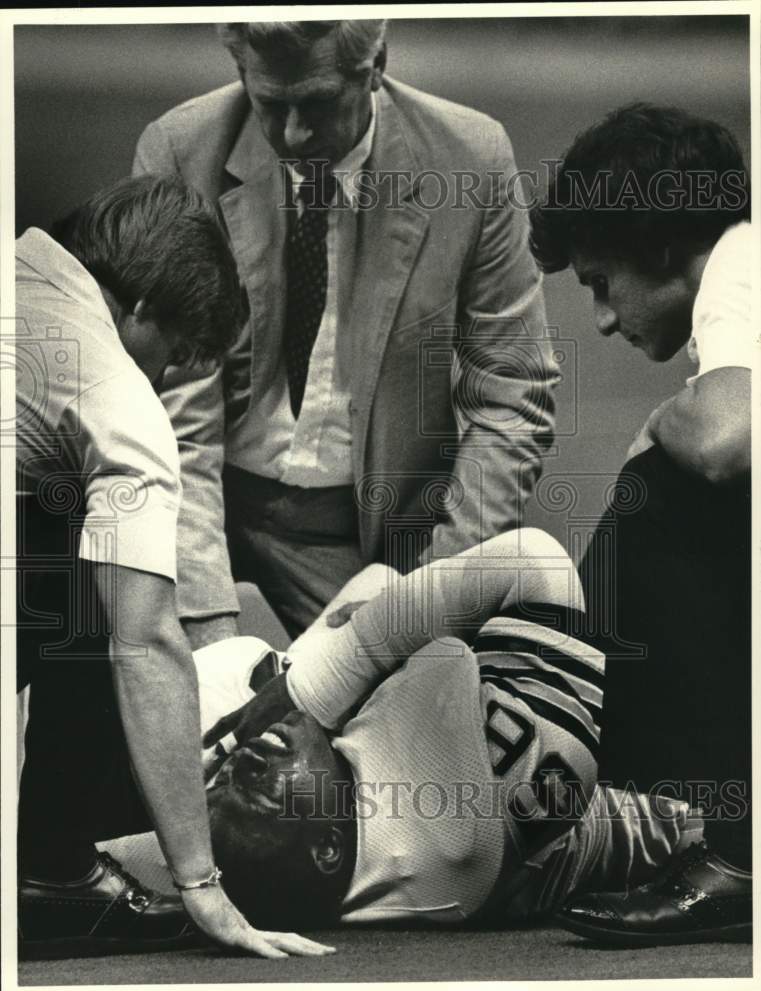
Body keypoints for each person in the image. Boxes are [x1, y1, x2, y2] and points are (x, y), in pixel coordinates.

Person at [132, 18, 559, 644]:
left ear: (377, 62)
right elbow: (176, 418)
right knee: (124, 681)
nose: (294, 134)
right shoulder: (178, 150)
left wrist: (429, 594)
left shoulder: (471, 159)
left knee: (403, 720)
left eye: (320, 102)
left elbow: (512, 397)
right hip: (197, 500)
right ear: (241, 71)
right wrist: (206, 624)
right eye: (270, 104)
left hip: (366, 535)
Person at [15, 175, 333, 961]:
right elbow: (146, 643)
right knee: (114, 578)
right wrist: (201, 885)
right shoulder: (117, 394)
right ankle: (54, 869)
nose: (164, 383)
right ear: (143, 310)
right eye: (177, 359)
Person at [105, 530, 703, 929]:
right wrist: (317, 682)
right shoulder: (455, 815)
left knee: (227, 678)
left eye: (229, 778)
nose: (249, 760)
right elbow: (533, 559)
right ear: (328, 847)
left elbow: (118, 868)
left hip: (404, 739)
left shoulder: (262, 859)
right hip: (633, 815)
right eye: (263, 790)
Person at [528, 103, 753, 945]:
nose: (603, 321)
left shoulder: (739, 267)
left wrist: (659, 421)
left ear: (661, 250)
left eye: (600, 284)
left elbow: (727, 442)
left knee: (660, 487)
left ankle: (738, 854)